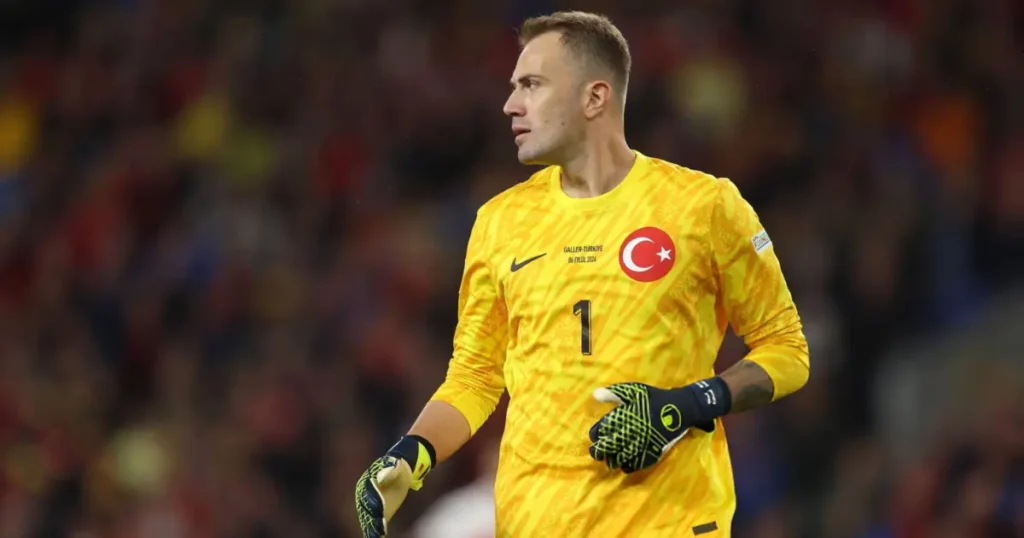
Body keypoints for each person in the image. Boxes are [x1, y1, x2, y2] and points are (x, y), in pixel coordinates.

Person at [355, 10, 810, 537]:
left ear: (595, 98)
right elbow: (476, 376)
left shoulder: (704, 207)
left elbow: (787, 351)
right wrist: (415, 452)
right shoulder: (500, 222)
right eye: (513, 87)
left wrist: (685, 405)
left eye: (532, 85)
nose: (511, 104)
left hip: (670, 522)